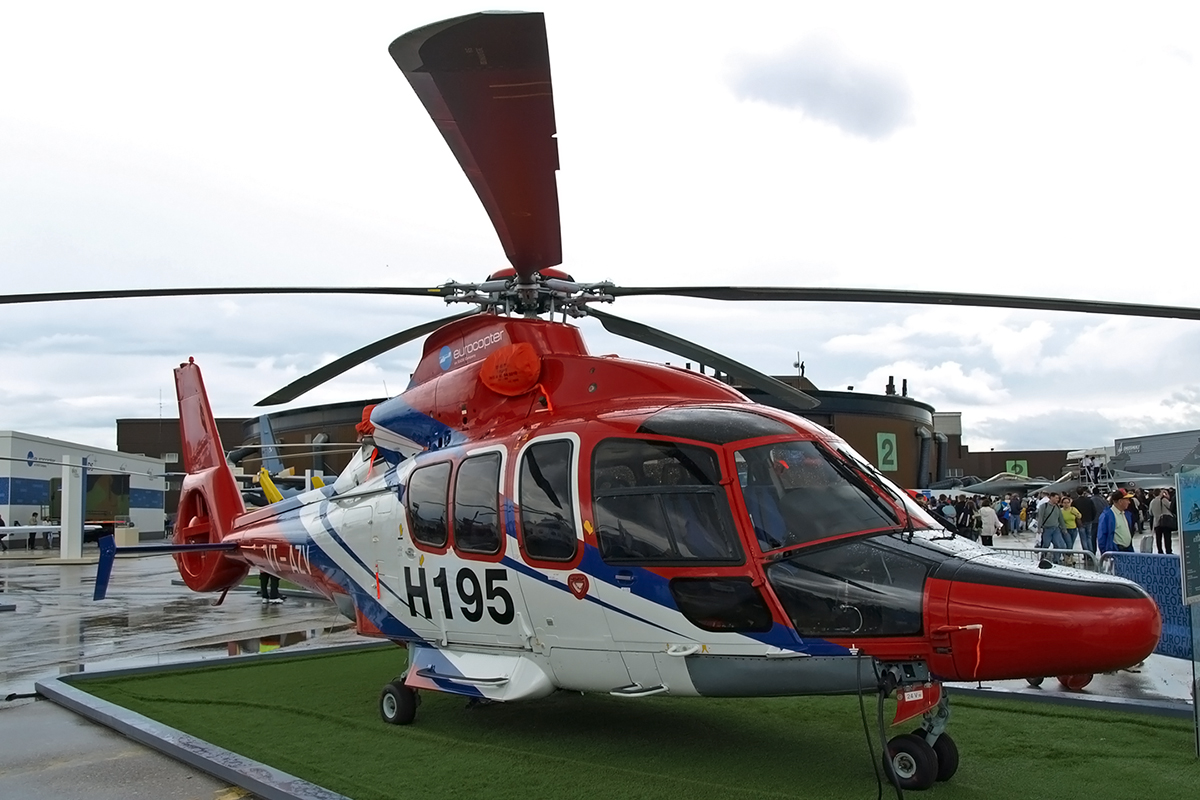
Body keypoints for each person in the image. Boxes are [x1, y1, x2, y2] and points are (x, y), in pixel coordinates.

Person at [1149, 488, 1176, 555]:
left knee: (1158, 538)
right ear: (1160, 493)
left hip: (1157, 522)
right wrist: (1168, 497)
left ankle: (1160, 551)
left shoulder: (1152, 502)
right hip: (1165, 522)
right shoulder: (1163, 500)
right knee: (1167, 538)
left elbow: (1150, 513)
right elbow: (1170, 507)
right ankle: (1168, 551)